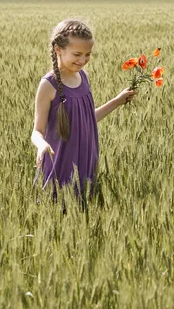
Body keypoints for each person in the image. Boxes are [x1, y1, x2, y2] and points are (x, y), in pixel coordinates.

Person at [31, 19, 136, 206]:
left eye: (88, 54)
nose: (83, 60)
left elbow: (86, 120)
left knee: (84, 204)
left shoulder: (83, 77)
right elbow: (37, 131)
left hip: (86, 157)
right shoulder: (48, 85)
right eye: (77, 54)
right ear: (58, 50)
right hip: (60, 161)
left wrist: (117, 101)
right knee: (58, 208)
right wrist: (41, 145)